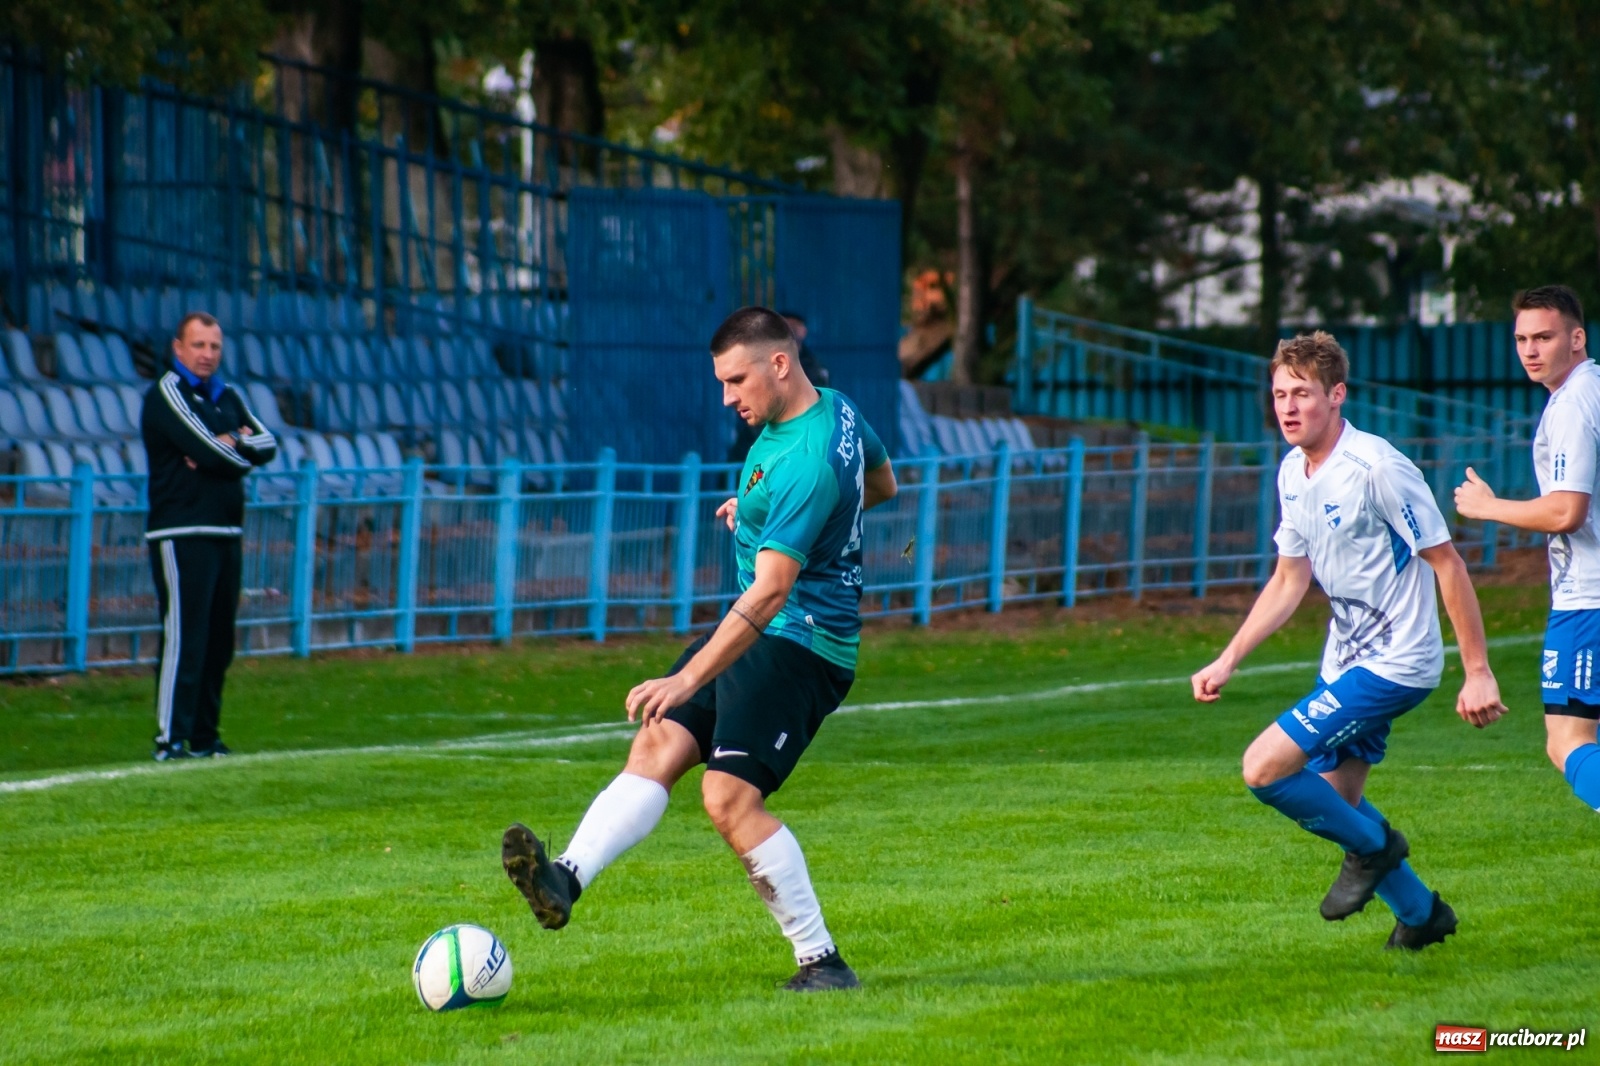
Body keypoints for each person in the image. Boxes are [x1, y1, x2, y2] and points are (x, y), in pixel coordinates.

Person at [502, 305, 896, 991]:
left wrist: (686, 680)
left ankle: (822, 961)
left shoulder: (805, 458)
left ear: (779, 363)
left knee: (727, 798)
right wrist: (767, 516)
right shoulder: (834, 410)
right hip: (759, 632)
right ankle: (564, 878)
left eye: (736, 380)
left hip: (801, 644)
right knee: (657, 742)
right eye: (721, 383)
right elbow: (883, 485)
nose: (728, 398)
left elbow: (773, 591)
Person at [1191, 331, 1505, 951]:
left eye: (1302, 393)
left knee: (1265, 767)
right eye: (1279, 393)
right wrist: (1229, 658)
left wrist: (1478, 671)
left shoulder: (1379, 468)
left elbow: (1449, 564)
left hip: (1398, 661)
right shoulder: (1292, 471)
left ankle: (1376, 848)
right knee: (1337, 801)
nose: (1287, 406)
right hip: (1346, 660)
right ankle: (1421, 915)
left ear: (1337, 395)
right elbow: (1289, 579)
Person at [1455, 284, 1600, 813]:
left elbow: (1566, 512)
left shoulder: (1572, 404)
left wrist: (1488, 507)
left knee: (1567, 742)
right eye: (1521, 339)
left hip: (1589, 600)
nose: (1530, 350)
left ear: (1577, 337)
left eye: (1544, 336)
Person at [141, 312, 277, 761]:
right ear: (178, 348)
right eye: (198, 345)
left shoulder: (228, 395)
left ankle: (204, 737)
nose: (207, 354)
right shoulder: (166, 394)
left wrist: (227, 445)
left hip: (226, 529)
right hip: (181, 530)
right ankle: (170, 739)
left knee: (220, 641)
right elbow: (211, 448)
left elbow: (268, 444)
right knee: (185, 638)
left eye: (214, 346)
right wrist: (231, 446)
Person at [727, 311, 828, 463]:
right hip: (759, 435)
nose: (792, 330)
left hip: (800, 439)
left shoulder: (815, 366)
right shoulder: (759, 360)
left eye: (796, 326)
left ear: (804, 331)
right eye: (787, 326)